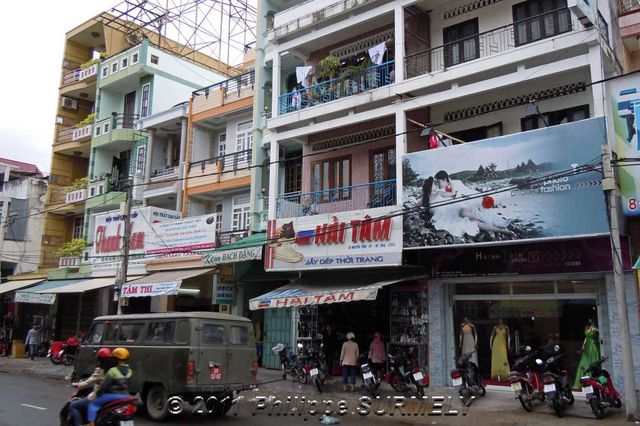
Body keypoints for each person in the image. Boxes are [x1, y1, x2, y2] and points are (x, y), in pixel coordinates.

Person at [422, 170, 516, 239]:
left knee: (465, 212)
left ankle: (496, 222)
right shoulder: (425, 199)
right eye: (434, 184)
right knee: (473, 223)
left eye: (437, 183)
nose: (436, 185)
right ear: (429, 187)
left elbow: (453, 193)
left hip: (452, 209)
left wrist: (450, 181)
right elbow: (417, 207)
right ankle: (502, 230)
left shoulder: (439, 193)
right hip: (445, 216)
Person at [68, 348, 117, 426]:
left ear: (100, 359)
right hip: (112, 397)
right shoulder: (116, 369)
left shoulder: (101, 370)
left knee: (73, 406)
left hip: (99, 397)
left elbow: (89, 382)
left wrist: (77, 385)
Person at [87, 347, 133, 425]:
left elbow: (104, 386)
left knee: (93, 404)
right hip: (126, 396)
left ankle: (91, 423)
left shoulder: (113, 370)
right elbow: (129, 385)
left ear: (116, 358)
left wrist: (98, 393)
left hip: (112, 395)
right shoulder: (130, 371)